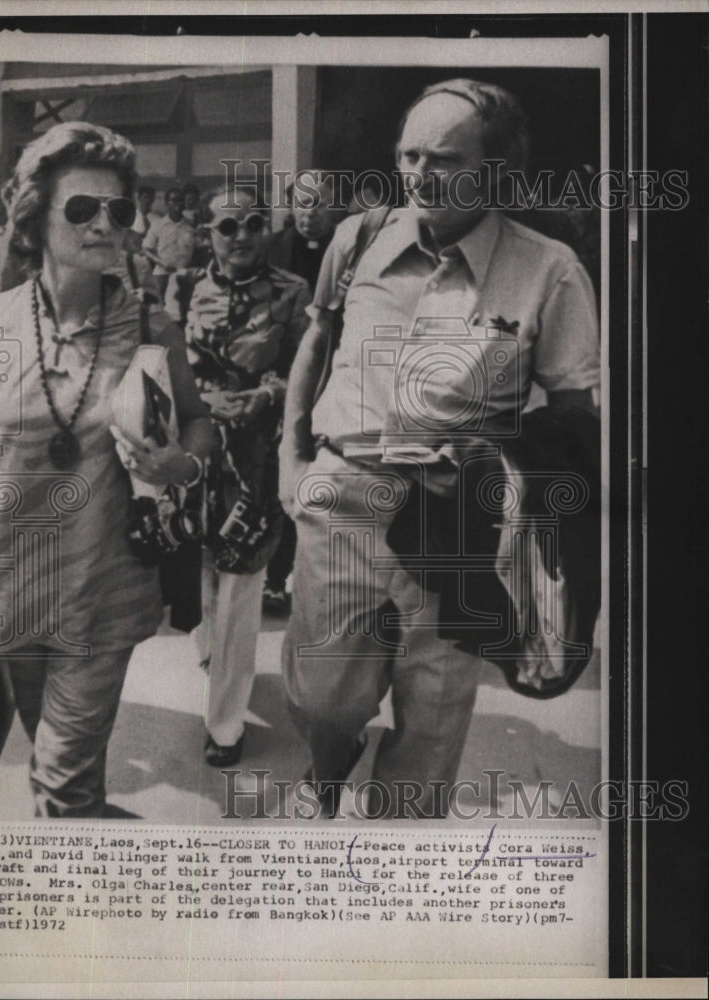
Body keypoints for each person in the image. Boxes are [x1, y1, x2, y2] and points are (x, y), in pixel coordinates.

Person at [280, 78, 600, 819]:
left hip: (458, 529)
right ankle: (327, 768)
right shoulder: (356, 238)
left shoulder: (549, 271)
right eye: (409, 154)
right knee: (322, 701)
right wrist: (290, 464)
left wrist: (503, 471)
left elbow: (576, 418)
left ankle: (396, 875)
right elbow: (315, 343)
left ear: (495, 170)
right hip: (341, 502)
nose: (420, 174)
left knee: (429, 725)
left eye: (445, 159)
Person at [0, 121, 214, 818]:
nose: (105, 224)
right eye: (82, 208)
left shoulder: (150, 327)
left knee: (62, 787)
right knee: (55, 763)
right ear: (35, 216)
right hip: (12, 586)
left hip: (101, 593)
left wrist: (178, 461)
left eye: (119, 210)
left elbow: (201, 425)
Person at [184, 185, 310, 767]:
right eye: (228, 226)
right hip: (196, 454)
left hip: (257, 459)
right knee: (204, 570)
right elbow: (165, 363)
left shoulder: (291, 291)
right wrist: (201, 400)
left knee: (240, 583)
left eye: (254, 224)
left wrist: (266, 395)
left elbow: (307, 372)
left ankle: (226, 724)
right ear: (207, 233)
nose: (242, 237)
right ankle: (215, 655)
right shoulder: (184, 286)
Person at [263, 171, 343, 613]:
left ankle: (318, 577)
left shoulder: (348, 248)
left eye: (319, 204)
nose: (310, 214)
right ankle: (274, 577)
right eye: (303, 205)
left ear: (333, 205)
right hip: (279, 376)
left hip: (332, 374)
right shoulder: (272, 248)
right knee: (281, 472)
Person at [141, 186, 196, 300]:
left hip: (184, 275)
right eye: (174, 200)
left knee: (184, 307)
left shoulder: (191, 226)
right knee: (160, 305)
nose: (178, 204)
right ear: (167, 203)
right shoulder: (158, 225)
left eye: (181, 200)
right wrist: (161, 262)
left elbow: (198, 249)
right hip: (162, 275)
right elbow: (146, 249)